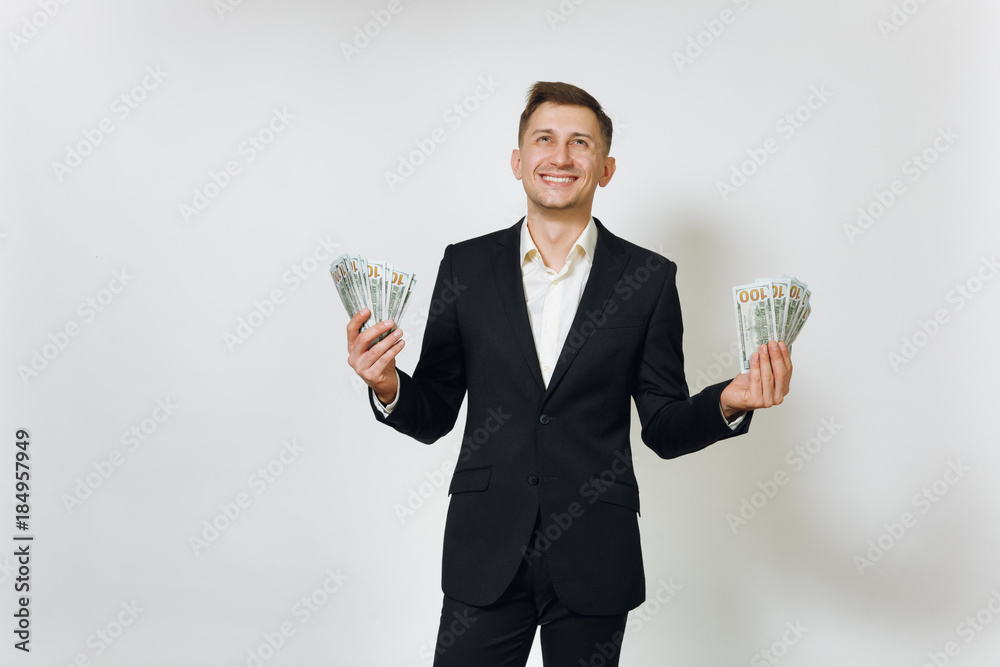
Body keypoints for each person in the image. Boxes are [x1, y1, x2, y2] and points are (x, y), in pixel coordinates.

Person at [346, 81, 792, 666]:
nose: (560, 157)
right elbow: (434, 412)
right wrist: (386, 385)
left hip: (595, 553)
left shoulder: (649, 279)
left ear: (605, 168)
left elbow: (662, 424)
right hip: (486, 547)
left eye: (580, 143)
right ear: (518, 161)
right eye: (545, 139)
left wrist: (728, 401)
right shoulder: (466, 266)